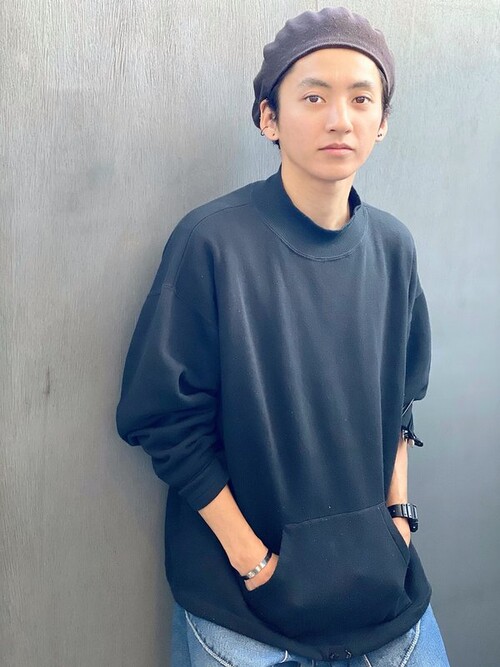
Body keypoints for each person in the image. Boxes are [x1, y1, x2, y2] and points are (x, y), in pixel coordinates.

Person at [116, 7, 451, 666]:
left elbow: (402, 400)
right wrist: (252, 560)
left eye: (362, 98)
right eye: (314, 96)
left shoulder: (393, 246)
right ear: (268, 117)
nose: (340, 119)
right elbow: (162, 418)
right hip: (245, 608)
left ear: (383, 121)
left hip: (384, 595)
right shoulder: (212, 242)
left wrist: (399, 519)